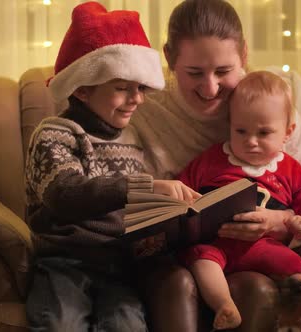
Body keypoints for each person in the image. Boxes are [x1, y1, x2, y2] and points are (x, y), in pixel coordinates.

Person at [130, 0, 301, 331]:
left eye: (223, 72)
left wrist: (282, 220)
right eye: (194, 73)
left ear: (243, 54)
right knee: (183, 279)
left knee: (258, 288)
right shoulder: (145, 110)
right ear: (169, 58)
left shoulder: (272, 104)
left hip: (261, 254)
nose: (210, 88)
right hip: (189, 256)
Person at [23, 2, 199, 331]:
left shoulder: (131, 138)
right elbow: (65, 194)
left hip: (119, 266)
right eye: (122, 88)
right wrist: (145, 186)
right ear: (83, 89)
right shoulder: (55, 133)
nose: (137, 99)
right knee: (61, 322)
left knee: (127, 324)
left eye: (141, 89)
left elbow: (131, 213)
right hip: (66, 261)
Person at [177, 71, 301, 330]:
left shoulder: (288, 168)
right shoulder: (212, 160)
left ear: (287, 132)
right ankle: (224, 305)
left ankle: (297, 311)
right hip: (217, 243)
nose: (251, 142)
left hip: (263, 245)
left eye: (264, 133)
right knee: (201, 259)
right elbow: (184, 187)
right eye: (241, 131)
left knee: (293, 265)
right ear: (230, 125)